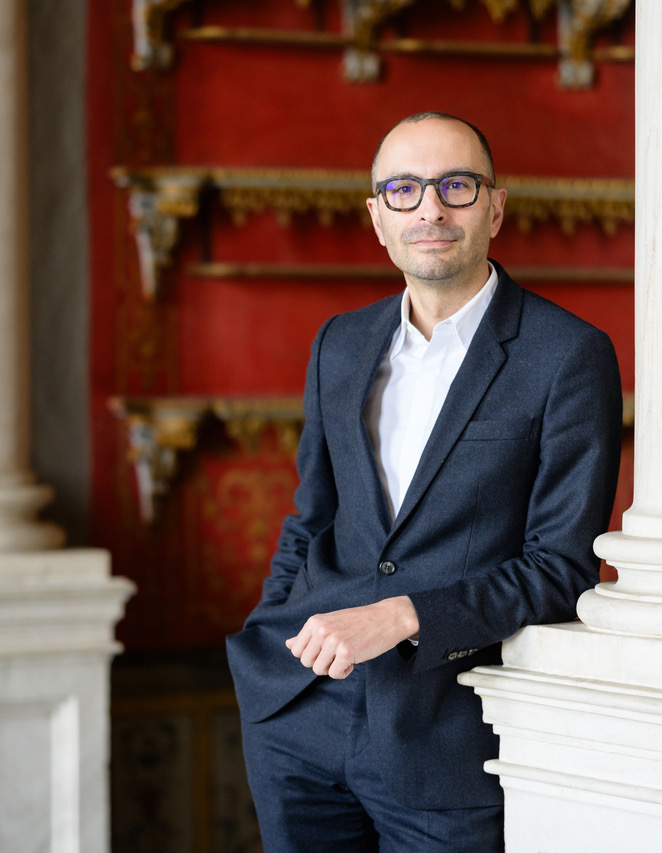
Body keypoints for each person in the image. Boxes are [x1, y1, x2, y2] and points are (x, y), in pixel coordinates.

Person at [225, 111, 623, 851]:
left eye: (456, 186)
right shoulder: (339, 342)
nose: (430, 209)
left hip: (448, 736)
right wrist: (268, 634)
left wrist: (406, 614)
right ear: (377, 218)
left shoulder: (568, 355)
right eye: (403, 190)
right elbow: (311, 517)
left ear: (495, 207)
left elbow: (561, 566)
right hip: (297, 717)